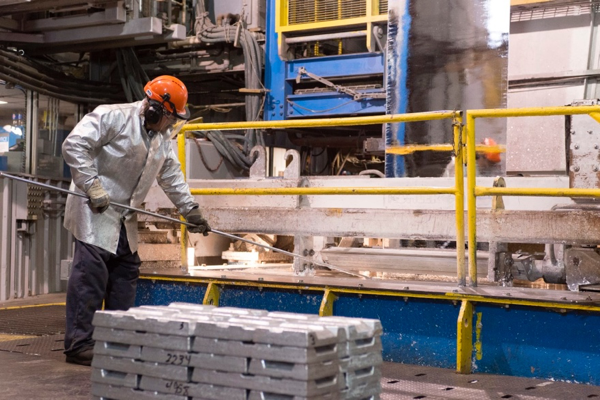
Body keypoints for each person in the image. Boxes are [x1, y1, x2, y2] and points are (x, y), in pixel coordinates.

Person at [61, 75, 210, 366]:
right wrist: (92, 185)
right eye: (171, 118)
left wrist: (190, 211)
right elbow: (74, 145)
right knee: (89, 278)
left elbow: (172, 178)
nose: (172, 125)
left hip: (124, 219)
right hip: (94, 212)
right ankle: (79, 344)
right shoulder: (112, 116)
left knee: (125, 276)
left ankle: (115, 340)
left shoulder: (162, 140)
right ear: (156, 110)